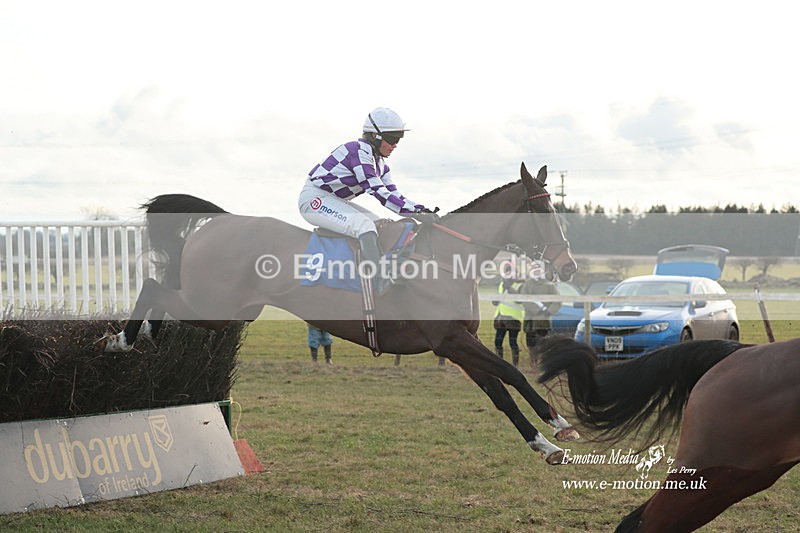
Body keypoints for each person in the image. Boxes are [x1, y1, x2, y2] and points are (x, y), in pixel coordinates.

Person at [298, 108, 437, 288]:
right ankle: (376, 278)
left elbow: (394, 194)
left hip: (333, 200)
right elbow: (377, 191)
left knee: (380, 224)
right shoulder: (358, 151)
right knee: (365, 226)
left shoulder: (381, 165)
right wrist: (415, 213)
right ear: (374, 136)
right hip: (314, 200)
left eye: (398, 140)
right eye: (392, 139)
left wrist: (420, 209)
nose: (395, 145)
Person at [519, 271, 561, 367]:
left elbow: (557, 301)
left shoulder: (550, 285)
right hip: (530, 320)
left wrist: (549, 311)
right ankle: (533, 363)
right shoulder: (527, 284)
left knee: (544, 343)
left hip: (544, 321)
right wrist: (537, 310)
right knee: (531, 344)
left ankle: (543, 364)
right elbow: (524, 300)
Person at [491, 270, 525, 367]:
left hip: (513, 318)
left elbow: (519, 300)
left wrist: (509, 288)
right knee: (498, 341)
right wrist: (495, 300)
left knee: (512, 342)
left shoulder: (520, 285)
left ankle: (515, 365)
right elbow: (499, 299)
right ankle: (500, 363)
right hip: (501, 317)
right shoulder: (502, 284)